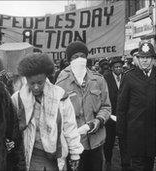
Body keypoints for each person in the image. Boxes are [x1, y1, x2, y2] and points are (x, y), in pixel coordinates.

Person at [11, 53, 83, 171]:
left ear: (46, 78)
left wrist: (75, 153)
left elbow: (70, 127)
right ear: (25, 79)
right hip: (31, 154)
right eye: (31, 83)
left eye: (40, 83)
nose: (35, 87)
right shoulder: (17, 99)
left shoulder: (60, 96)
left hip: (56, 154)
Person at [56, 41, 111, 171]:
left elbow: (106, 107)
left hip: (96, 142)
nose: (79, 59)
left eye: (82, 56)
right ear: (69, 60)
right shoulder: (62, 82)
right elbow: (58, 114)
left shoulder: (98, 80)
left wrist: (98, 121)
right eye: (75, 57)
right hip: (74, 145)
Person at [116, 42, 156, 171]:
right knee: (137, 166)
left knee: (150, 165)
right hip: (135, 135)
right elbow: (121, 108)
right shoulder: (129, 77)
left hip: (152, 135)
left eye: (148, 57)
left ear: (153, 59)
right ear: (137, 59)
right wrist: (121, 133)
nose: (144, 60)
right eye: (142, 57)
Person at [103, 56, 124, 171]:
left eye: (120, 67)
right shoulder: (106, 78)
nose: (118, 69)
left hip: (122, 115)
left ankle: (124, 162)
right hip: (110, 115)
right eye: (116, 67)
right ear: (112, 68)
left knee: (123, 140)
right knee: (109, 141)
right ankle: (108, 161)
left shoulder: (126, 77)